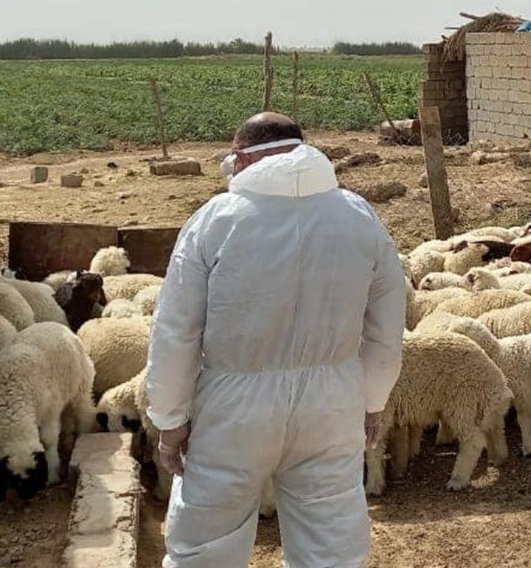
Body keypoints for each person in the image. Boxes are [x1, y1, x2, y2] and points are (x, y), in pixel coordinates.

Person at [145, 112, 405, 567]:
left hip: (234, 406)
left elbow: (176, 329)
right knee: (330, 542)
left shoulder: (216, 219)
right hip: (332, 400)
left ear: (241, 157)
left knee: (208, 541)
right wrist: (373, 399)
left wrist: (170, 419)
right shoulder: (357, 215)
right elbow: (386, 323)